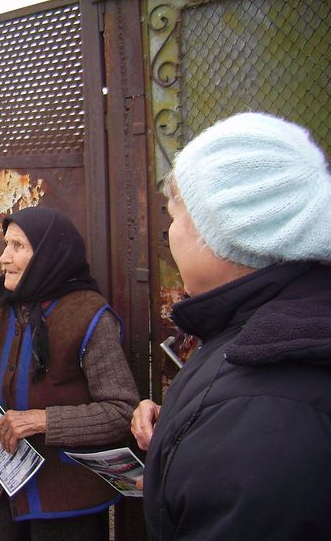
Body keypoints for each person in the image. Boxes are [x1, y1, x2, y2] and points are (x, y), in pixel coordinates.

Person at [131, 112, 331, 540]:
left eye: (178, 214)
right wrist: (185, 438)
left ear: (225, 230)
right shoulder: (277, 327)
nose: (171, 232)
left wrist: (214, 427)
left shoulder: (262, 413)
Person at [0, 206, 139, 541]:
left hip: (66, 498)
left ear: (50, 253)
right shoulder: (2, 303)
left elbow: (122, 412)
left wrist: (40, 420)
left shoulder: (89, 316)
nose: (4, 258)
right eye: (5, 244)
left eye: (18, 247)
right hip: (8, 484)